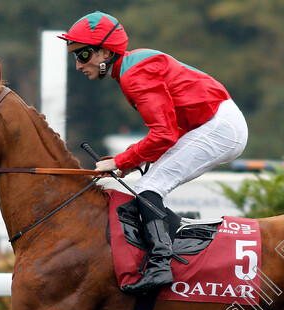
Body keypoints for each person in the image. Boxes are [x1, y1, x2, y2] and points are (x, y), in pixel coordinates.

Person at [60, 11, 248, 294]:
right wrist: (128, 162)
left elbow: (164, 134)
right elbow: (169, 130)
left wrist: (123, 160)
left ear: (105, 52)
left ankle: (160, 265)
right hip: (212, 123)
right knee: (149, 184)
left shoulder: (134, 74)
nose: (77, 65)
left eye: (83, 55)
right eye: (75, 56)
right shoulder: (132, 68)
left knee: (150, 186)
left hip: (219, 126)